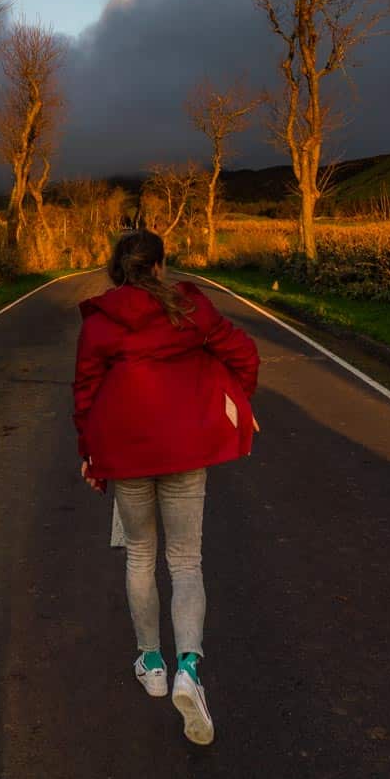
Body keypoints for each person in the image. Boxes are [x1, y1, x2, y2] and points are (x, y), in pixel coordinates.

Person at [72, 229, 260, 746]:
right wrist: (234, 403)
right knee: (185, 561)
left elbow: (85, 390)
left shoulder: (102, 321)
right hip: (185, 452)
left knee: (139, 555)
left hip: (126, 454)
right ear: (159, 265)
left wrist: (90, 453)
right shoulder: (190, 309)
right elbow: (243, 354)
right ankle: (189, 669)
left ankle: (151, 662)